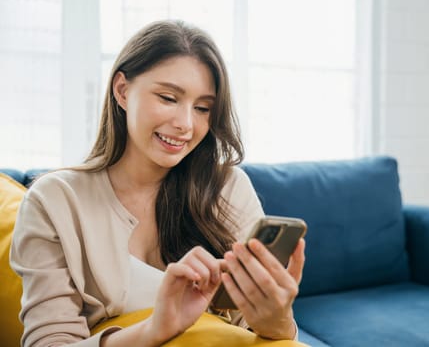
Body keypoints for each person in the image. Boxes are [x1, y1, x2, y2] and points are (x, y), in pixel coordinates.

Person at [10, 20, 306, 347]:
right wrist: (154, 330)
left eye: (203, 108)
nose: (185, 124)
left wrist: (278, 320)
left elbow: (258, 333)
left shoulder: (227, 186)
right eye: (168, 98)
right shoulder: (55, 200)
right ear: (122, 91)